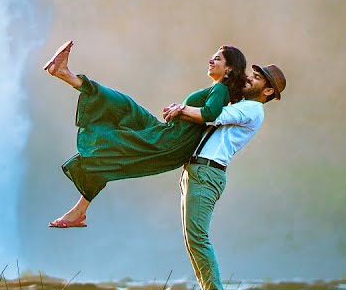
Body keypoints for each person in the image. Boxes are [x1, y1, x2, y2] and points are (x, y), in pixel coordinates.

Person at [44, 40, 248, 228]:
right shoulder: (216, 89)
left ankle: (64, 74)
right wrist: (178, 111)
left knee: (114, 145)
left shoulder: (220, 90)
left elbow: (209, 114)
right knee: (123, 106)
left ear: (229, 68)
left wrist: (181, 109)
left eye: (218, 58)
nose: (211, 60)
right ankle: (79, 212)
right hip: (169, 132)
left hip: (171, 141)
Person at [163, 62, 286, 290]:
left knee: (197, 237)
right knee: (193, 238)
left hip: (207, 172)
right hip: (199, 170)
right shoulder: (244, 104)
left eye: (258, 77)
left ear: (268, 91)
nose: (250, 78)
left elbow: (213, 115)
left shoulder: (253, 109)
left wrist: (181, 109)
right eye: (253, 74)